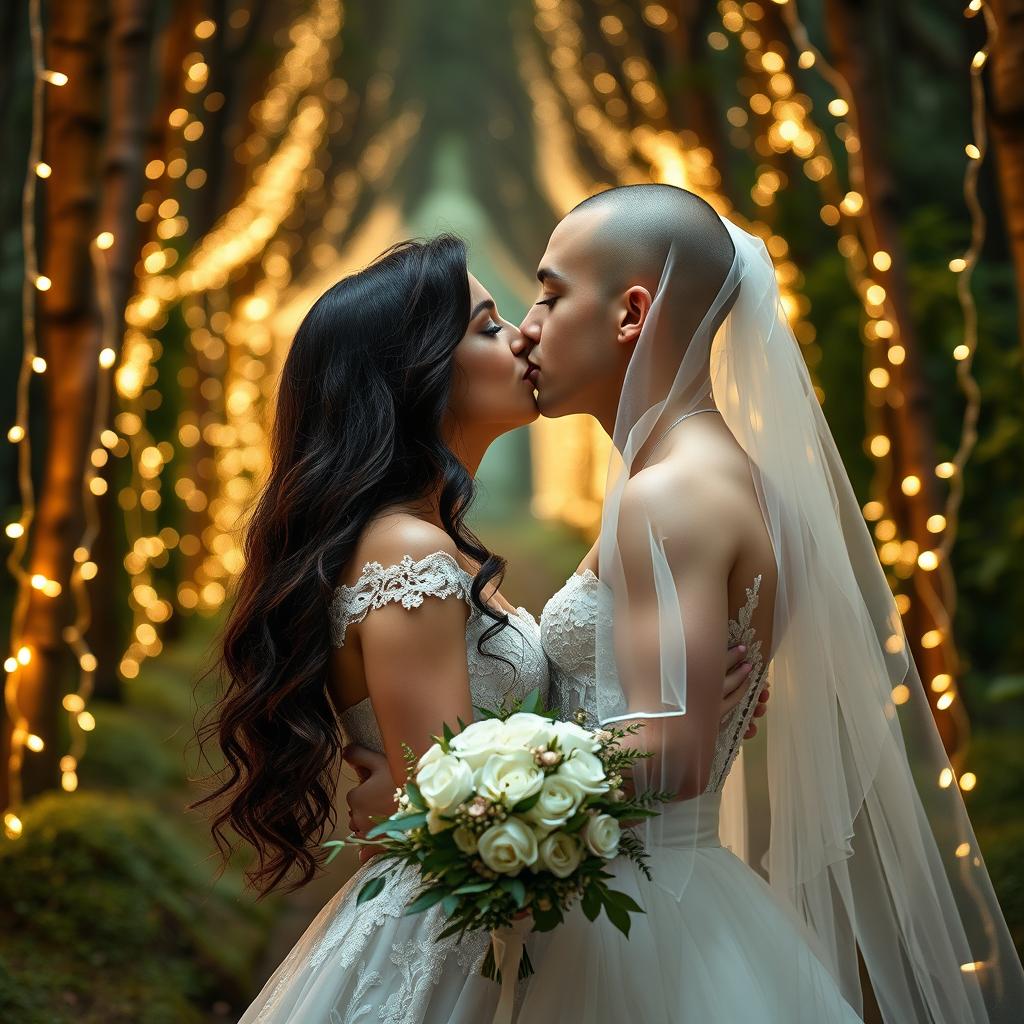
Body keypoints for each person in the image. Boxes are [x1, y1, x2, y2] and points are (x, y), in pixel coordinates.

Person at [348, 185, 1024, 1023]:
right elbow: (674, 711)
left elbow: (675, 752)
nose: (528, 327)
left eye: (551, 296)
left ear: (631, 314)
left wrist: (460, 794)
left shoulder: (666, 494)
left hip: (628, 916)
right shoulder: (748, 485)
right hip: (673, 895)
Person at [193, 232, 762, 1023]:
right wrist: (664, 733)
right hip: (458, 943)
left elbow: (449, 771)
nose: (524, 335)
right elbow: (454, 805)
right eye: (490, 326)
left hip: (505, 913)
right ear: (419, 374)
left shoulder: (436, 543)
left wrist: (671, 690)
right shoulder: (407, 552)